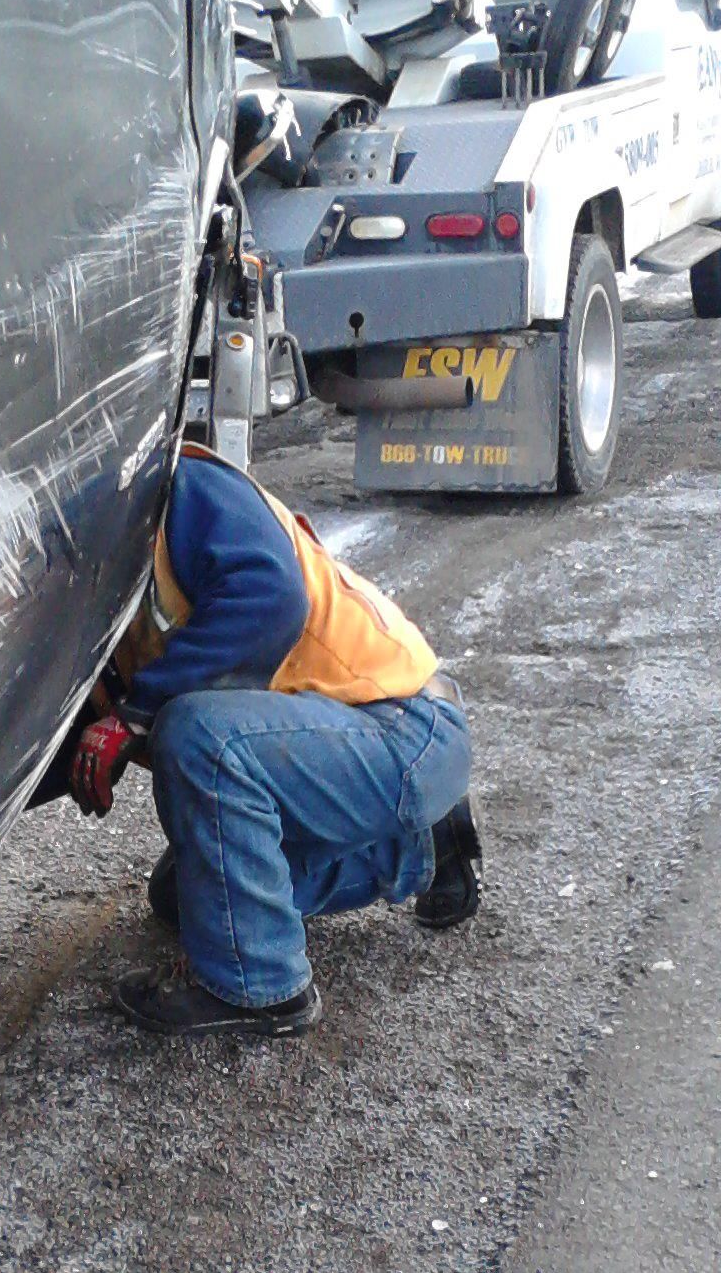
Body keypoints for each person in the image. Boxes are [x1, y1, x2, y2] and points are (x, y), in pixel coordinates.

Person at [68, 444, 480, 1037]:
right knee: (186, 900)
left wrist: (134, 716)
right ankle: (422, 848)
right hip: (362, 750)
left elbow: (273, 597)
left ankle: (260, 986)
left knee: (196, 735)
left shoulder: (181, 488)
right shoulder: (99, 555)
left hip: (407, 729)